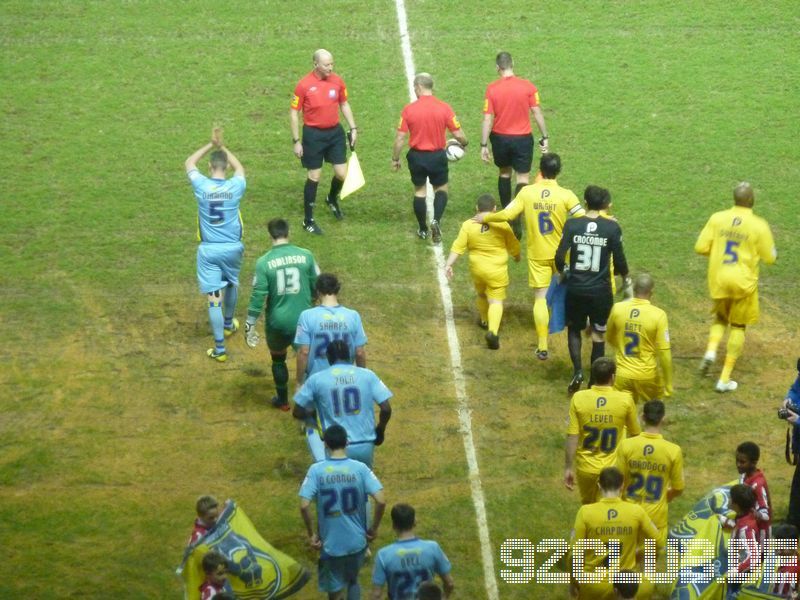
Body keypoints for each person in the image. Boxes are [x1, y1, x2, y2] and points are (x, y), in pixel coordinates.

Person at [476, 153, 584, 361]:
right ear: (558, 171)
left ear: (540, 170)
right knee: (566, 292)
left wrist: (486, 216)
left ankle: (542, 346)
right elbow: (582, 217)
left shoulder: (527, 193)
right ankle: (575, 325)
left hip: (537, 255)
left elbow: (507, 215)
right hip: (561, 254)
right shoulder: (566, 195)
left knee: (540, 299)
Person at [695, 181, 777, 392]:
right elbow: (770, 258)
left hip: (720, 278)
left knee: (721, 318)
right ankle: (724, 379)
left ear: (734, 199)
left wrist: (716, 253)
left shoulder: (717, 218)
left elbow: (700, 247)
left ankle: (711, 351)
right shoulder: (759, 225)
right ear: (752, 200)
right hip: (743, 283)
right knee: (738, 326)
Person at [556, 185, 630, 394]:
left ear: (585, 202)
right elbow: (620, 259)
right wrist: (625, 277)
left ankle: (577, 371)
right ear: (606, 205)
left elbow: (560, 256)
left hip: (576, 288)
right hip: (601, 291)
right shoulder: (612, 228)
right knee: (598, 333)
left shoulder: (572, 225)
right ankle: (593, 381)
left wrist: (564, 271)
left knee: (574, 328)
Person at [299, 425, 386, 600]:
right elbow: (381, 500)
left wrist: (311, 534)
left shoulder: (316, 470)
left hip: (331, 545)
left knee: (335, 591)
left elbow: (304, 505)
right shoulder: (361, 468)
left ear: (325, 445)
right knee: (353, 581)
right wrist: (374, 528)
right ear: (347, 442)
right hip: (357, 542)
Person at [244, 218, 320, 410]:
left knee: (278, 358)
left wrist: (250, 322)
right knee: (309, 360)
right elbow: (317, 282)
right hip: (304, 320)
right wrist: (313, 300)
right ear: (289, 232)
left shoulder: (264, 262)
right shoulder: (306, 256)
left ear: (270, 235)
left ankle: (283, 400)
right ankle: (307, 404)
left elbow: (258, 294)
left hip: (277, 321)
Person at [185, 128, 246, 362]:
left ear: (210, 168)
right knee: (231, 283)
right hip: (233, 248)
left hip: (209, 251)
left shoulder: (201, 186)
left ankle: (220, 349)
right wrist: (222, 147)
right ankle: (229, 324)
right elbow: (241, 169)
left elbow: (189, 162)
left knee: (213, 298)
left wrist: (210, 145)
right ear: (226, 168)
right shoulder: (235, 186)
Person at [295, 274, 368, 461]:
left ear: (318, 291)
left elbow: (303, 351)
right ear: (338, 290)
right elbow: (360, 352)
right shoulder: (353, 316)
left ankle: (322, 463)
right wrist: (361, 374)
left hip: (317, 378)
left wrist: (299, 381)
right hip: (345, 378)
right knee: (342, 418)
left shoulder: (307, 316)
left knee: (312, 421)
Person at [391, 72, 468, 244]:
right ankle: (436, 220)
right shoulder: (444, 108)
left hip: (416, 157)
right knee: (441, 189)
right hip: (437, 156)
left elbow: (400, 139)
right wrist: (464, 143)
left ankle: (423, 229)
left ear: (419, 87)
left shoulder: (409, 110)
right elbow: (458, 133)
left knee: (419, 191)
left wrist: (395, 158)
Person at [480, 51, 549, 240]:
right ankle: (517, 215)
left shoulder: (492, 89)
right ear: (513, 64)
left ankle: (506, 214)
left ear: (497, 68)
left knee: (504, 173)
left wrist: (483, 144)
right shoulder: (528, 87)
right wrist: (545, 135)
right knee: (523, 178)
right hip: (523, 138)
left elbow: (487, 118)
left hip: (500, 138)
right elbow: (537, 112)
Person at [293, 340, 392, 468]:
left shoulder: (317, 379)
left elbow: (297, 411)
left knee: (338, 485)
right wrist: (381, 430)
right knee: (363, 483)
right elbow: (386, 408)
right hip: (365, 444)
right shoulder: (368, 376)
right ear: (350, 356)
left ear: (328, 357)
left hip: (336, 445)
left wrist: (313, 416)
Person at [290, 49, 358, 235]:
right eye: (327, 64)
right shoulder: (304, 85)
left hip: (334, 133)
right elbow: (294, 113)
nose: (331, 68)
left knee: (342, 173)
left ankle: (331, 198)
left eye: (332, 64)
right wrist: (296, 141)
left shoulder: (337, 81)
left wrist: (353, 128)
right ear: (315, 65)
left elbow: (344, 103)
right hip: (313, 135)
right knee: (315, 176)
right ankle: (308, 220)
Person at [570, 467, 659, 600]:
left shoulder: (585, 512)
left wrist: (575, 584)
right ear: (622, 486)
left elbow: (574, 555)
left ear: (599, 485)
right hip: (628, 586)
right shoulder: (636, 511)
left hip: (594, 587)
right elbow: (658, 541)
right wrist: (639, 555)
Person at [445, 194, 520, 350]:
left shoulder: (468, 225)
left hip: (477, 269)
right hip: (497, 270)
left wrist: (448, 264)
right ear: (494, 209)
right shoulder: (503, 225)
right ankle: (492, 332)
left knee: (481, 294)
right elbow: (514, 245)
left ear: (477, 208)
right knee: (496, 300)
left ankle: (484, 320)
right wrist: (517, 256)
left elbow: (458, 247)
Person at [564, 357, 640, 505]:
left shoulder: (578, 398)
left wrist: (568, 467)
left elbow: (572, 435)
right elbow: (635, 434)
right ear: (613, 377)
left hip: (586, 468)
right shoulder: (624, 400)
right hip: (613, 469)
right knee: (611, 513)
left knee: (588, 509)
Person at [616, 400, 685, 548]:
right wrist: (666, 496)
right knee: (649, 566)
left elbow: (617, 482)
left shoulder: (626, 445)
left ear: (642, 417)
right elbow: (678, 487)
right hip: (656, 516)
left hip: (629, 513)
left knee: (626, 562)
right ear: (663, 419)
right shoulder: (673, 451)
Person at [606, 274, 673, 403]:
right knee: (654, 409)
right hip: (647, 375)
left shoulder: (618, 309)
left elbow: (609, 337)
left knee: (622, 413)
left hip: (622, 375)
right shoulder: (658, 315)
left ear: (634, 289)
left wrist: (621, 346)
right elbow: (665, 353)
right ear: (651, 292)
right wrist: (669, 384)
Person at [370, 504, 455, 600]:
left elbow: (376, 594)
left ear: (394, 525)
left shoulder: (383, 555)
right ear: (414, 522)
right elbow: (449, 583)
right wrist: (445, 597)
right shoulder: (432, 548)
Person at [725, 484, 760, 595]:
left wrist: (734, 572)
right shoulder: (745, 515)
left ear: (736, 504)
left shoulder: (746, 529)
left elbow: (753, 558)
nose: (728, 499)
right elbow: (738, 525)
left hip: (739, 579)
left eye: (730, 497)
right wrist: (726, 522)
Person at [736, 441, 772, 544]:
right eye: (737, 461)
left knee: (756, 559)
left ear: (754, 462)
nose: (738, 465)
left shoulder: (758, 485)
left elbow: (766, 514)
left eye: (742, 462)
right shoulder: (743, 476)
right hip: (746, 526)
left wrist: (755, 514)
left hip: (760, 532)